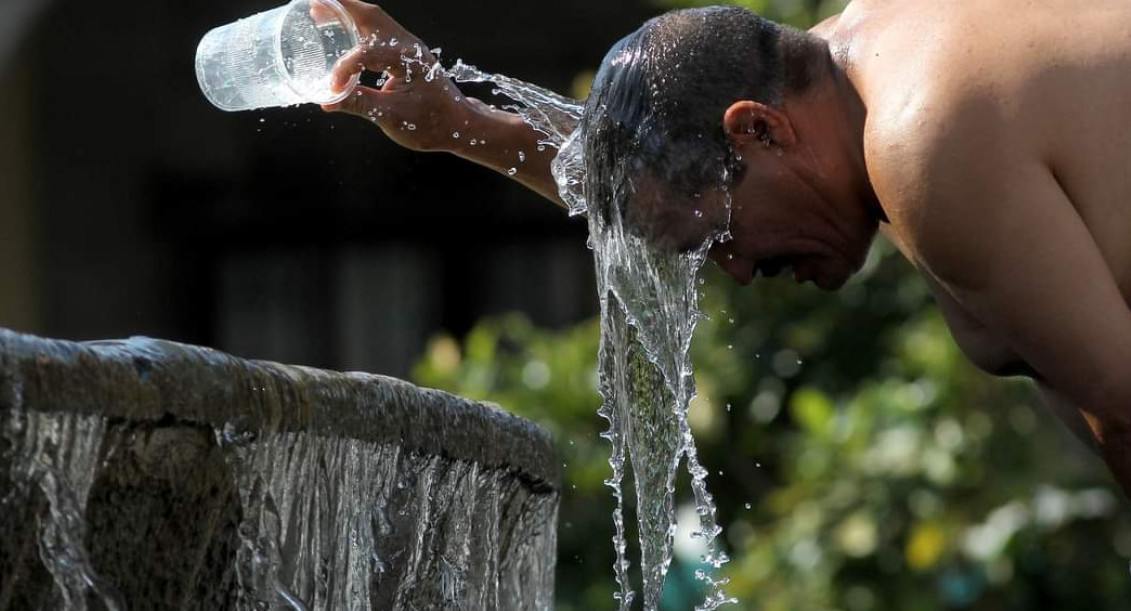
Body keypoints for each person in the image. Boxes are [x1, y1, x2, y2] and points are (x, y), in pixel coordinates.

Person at [321, 0, 1131, 499]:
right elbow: (660, 176)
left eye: (719, 238)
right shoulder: (868, 58)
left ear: (758, 128)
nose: (737, 270)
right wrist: (461, 120)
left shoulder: (924, 144)